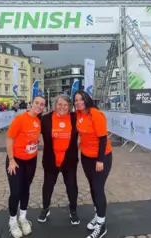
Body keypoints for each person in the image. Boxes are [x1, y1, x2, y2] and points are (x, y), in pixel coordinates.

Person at [5, 95, 46, 238]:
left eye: (42, 104)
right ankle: (12, 221)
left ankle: (23, 218)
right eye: (37, 103)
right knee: (16, 192)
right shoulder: (20, 119)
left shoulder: (39, 120)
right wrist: (11, 160)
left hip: (31, 160)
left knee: (26, 189)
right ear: (31, 103)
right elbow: (10, 139)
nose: (39, 106)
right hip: (16, 161)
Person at [74, 90, 113, 238]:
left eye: (80, 99)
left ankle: (101, 225)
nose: (78, 102)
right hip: (86, 157)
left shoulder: (95, 114)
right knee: (92, 187)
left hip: (101, 157)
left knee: (98, 188)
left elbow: (103, 138)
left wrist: (100, 160)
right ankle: (98, 215)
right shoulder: (78, 114)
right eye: (76, 100)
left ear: (86, 99)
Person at [37, 94, 80, 225]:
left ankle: (73, 210)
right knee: (48, 186)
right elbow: (31, 127)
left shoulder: (75, 118)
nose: (62, 107)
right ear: (55, 105)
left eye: (65, 105)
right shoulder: (45, 119)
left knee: (72, 186)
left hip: (70, 160)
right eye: (59, 104)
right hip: (51, 160)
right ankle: (45, 208)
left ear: (70, 107)